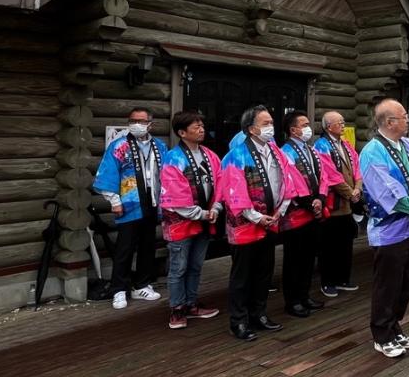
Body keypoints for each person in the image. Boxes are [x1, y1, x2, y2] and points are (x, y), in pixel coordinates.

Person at [220, 105, 304, 341]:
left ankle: (259, 313)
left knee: (264, 272)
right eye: (265, 124)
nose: (271, 128)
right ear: (250, 128)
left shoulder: (276, 152)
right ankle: (238, 320)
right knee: (242, 275)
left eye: (271, 123)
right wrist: (257, 217)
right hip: (246, 224)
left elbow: (289, 182)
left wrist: (280, 210)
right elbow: (233, 191)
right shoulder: (235, 156)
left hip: (272, 220)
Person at [359, 99, 409, 357]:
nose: (408, 120)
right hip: (389, 229)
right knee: (387, 283)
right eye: (404, 116)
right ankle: (382, 334)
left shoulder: (408, 145)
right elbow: (386, 190)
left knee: (406, 279)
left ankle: (394, 325)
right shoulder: (372, 152)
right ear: (390, 122)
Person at [95, 107, 169, 310]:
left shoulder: (160, 146)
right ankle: (119, 288)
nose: (136, 124)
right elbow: (108, 173)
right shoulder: (119, 146)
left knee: (148, 245)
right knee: (125, 247)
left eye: (141, 120)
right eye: (133, 120)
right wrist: (115, 201)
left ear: (150, 124)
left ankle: (142, 284)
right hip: (128, 202)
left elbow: (167, 175)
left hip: (152, 201)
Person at [159, 110, 221, 329]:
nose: (202, 129)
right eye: (196, 127)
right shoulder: (173, 158)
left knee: (195, 265)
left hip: (205, 219)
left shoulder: (210, 155)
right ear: (182, 132)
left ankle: (191, 303)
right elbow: (177, 199)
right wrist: (204, 213)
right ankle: (177, 309)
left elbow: (221, 185)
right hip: (181, 223)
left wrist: (216, 206)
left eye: (202, 125)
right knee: (179, 267)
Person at [280, 111, 339, 318]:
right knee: (293, 259)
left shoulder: (311, 150)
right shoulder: (286, 151)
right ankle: (292, 300)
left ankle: (304, 295)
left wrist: (321, 198)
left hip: (314, 210)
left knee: (308, 258)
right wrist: (308, 202)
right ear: (293, 129)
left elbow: (323, 176)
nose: (308, 128)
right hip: (297, 213)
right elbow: (291, 180)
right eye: (304, 124)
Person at [313, 111, 363, 298]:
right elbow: (331, 175)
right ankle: (328, 282)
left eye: (343, 122)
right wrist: (351, 193)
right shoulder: (321, 145)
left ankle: (343, 278)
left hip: (348, 204)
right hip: (333, 204)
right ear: (328, 127)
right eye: (339, 122)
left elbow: (357, 168)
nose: (343, 125)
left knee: (345, 243)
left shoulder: (346, 145)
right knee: (329, 246)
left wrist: (358, 187)